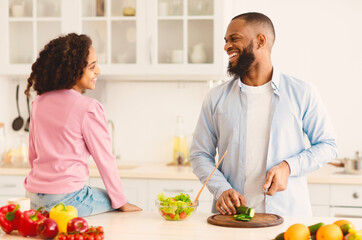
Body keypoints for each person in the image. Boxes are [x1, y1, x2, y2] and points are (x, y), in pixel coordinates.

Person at [189, 12, 337, 217]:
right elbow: (199, 154)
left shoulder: (302, 92)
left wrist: (289, 167)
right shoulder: (216, 97)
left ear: (260, 41)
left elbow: (328, 145)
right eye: (225, 41)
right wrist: (220, 188)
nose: (226, 46)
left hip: (287, 219)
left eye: (234, 39)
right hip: (231, 220)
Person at [24, 33, 142, 217]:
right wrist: (121, 202)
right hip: (68, 200)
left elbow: (33, 154)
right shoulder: (88, 107)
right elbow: (105, 160)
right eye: (92, 67)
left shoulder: (38, 102)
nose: (98, 71)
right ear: (73, 70)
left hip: (33, 198)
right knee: (116, 201)